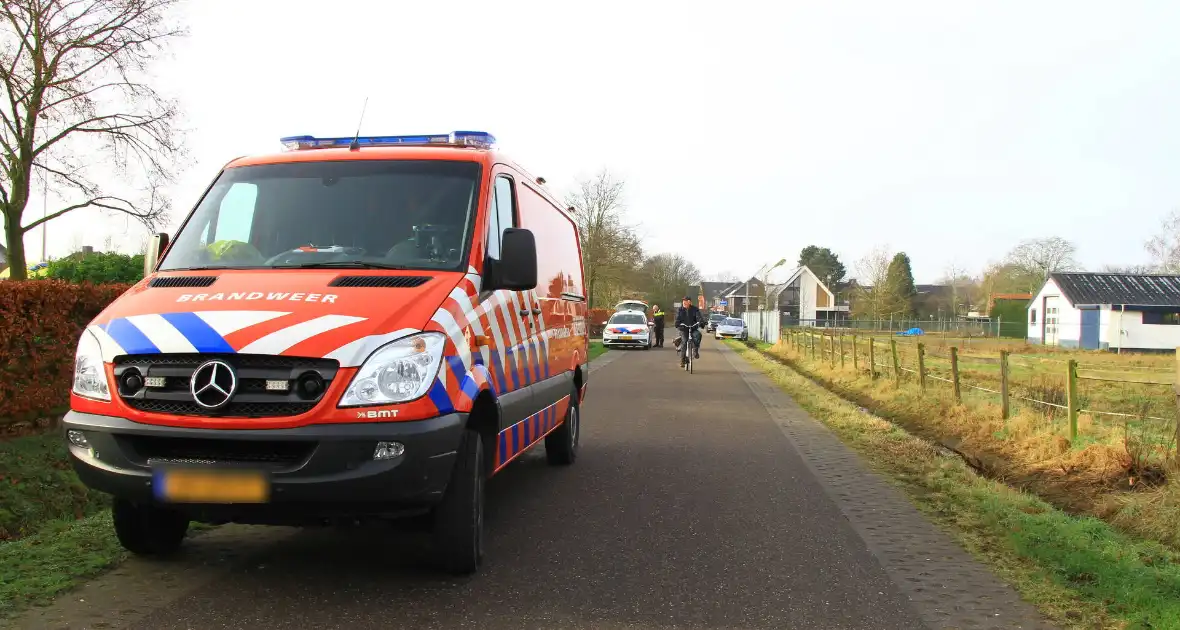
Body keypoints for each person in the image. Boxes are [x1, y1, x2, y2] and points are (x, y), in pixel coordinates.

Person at [674, 296, 704, 361]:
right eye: (683, 301)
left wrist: (701, 322)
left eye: (685, 301)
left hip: (693, 328)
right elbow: (677, 317)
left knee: (698, 335)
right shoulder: (680, 310)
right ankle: (682, 359)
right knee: (684, 342)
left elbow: (698, 317)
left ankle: (695, 351)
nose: (684, 302)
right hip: (683, 329)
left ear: (689, 302)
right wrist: (677, 323)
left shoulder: (695, 309)